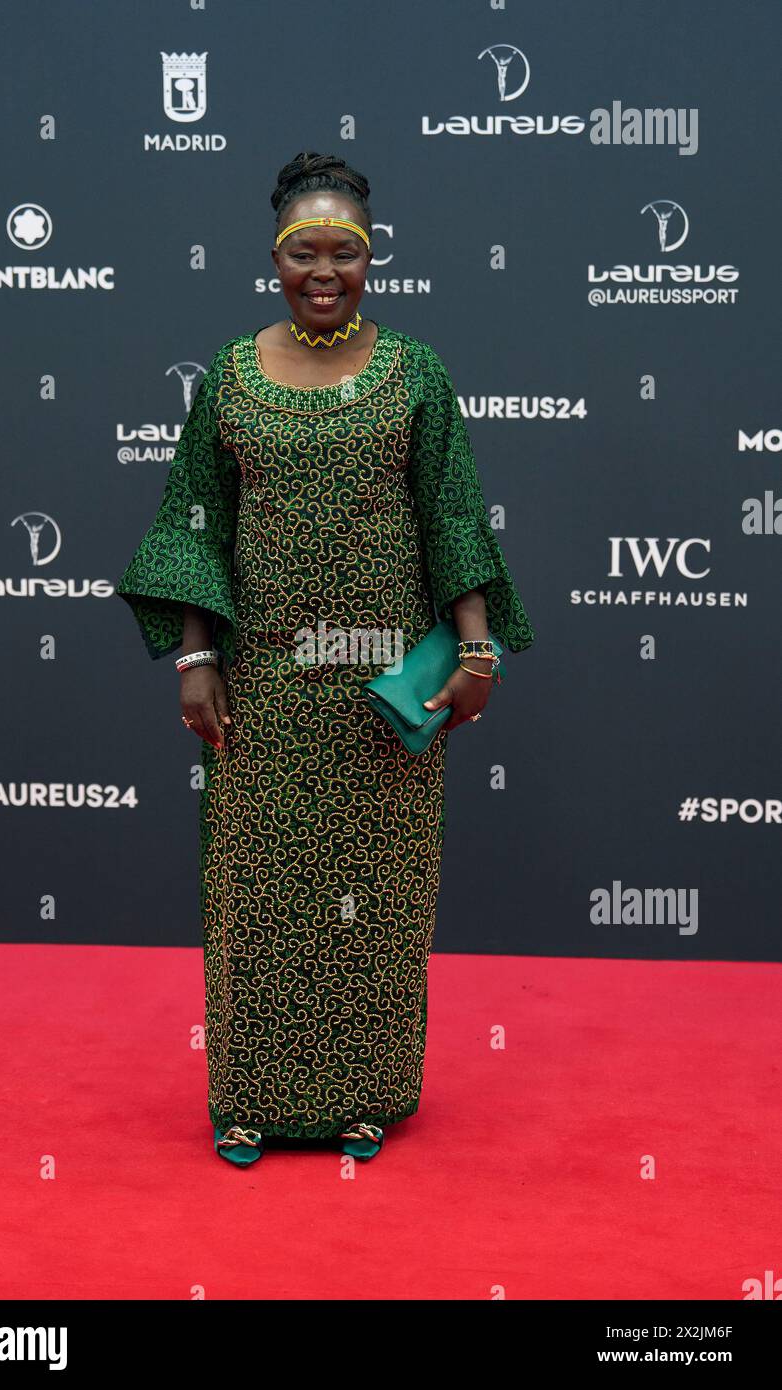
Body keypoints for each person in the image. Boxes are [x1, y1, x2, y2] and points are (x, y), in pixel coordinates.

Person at [115, 150, 535, 1166]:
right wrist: (192, 660)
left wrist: (473, 649)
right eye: (303, 250)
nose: (322, 269)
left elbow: (450, 519)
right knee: (255, 888)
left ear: (368, 258)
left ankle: (364, 1092)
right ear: (273, 258)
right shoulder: (229, 374)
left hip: (383, 686)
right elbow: (193, 529)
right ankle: (251, 1097)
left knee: (374, 889)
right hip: (262, 682)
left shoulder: (416, 373)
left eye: (342, 251)